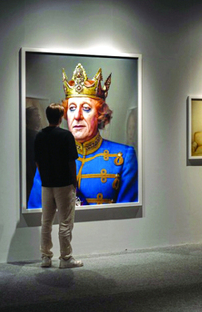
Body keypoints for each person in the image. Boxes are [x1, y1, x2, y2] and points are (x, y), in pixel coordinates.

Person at [28, 63, 138, 207]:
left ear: (99, 115)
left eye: (86, 108)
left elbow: (128, 214)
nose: (77, 116)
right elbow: (36, 212)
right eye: (72, 108)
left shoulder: (124, 157)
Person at [34, 103, 83, 269]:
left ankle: (45, 257)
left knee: (46, 222)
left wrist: (44, 177)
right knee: (65, 223)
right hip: (64, 184)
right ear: (61, 118)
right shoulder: (66, 135)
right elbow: (71, 162)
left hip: (47, 184)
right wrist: (74, 181)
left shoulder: (40, 136)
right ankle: (65, 258)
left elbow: (37, 161)